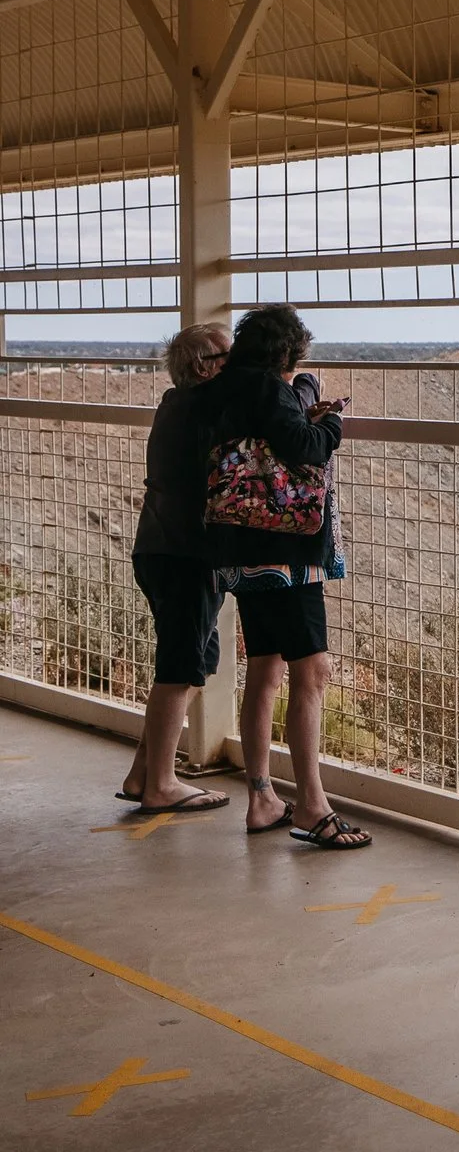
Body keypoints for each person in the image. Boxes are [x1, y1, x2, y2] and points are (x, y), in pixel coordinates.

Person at [196, 304, 366, 850]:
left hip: (241, 550)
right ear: (287, 352)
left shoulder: (224, 389)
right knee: (312, 671)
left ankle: (262, 798)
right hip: (285, 551)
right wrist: (332, 419)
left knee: (265, 669)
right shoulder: (271, 391)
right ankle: (314, 807)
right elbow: (307, 448)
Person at [117, 321, 235, 813]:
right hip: (186, 555)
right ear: (207, 366)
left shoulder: (175, 404)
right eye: (231, 355)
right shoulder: (207, 411)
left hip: (161, 548)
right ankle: (163, 784)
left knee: (193, 663)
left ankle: (144, 773)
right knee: (179, 667)